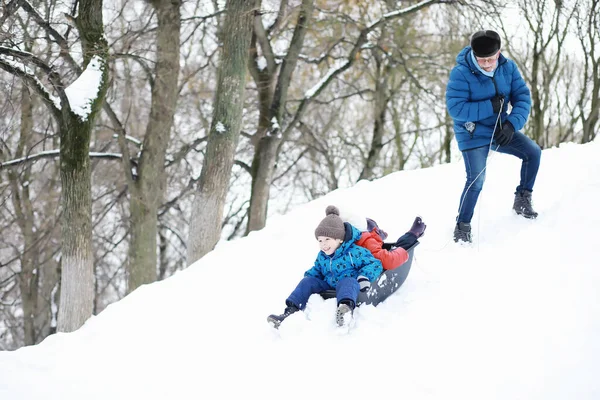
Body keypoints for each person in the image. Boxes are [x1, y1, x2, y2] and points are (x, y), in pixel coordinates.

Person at [446, 30, 542, 243]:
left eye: (491, 59)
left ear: (498, 53)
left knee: (533, 152)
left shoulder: (508, 68)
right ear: (474, 54)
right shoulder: (461, 73)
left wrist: (511, 124)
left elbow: (523, 98)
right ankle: (462, 226)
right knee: (476, 180)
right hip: (472, 133)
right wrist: (489, 106)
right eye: (482, 60)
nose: (488, 64)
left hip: (500, 130)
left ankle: (522, 199)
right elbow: (456, 109)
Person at [267, 205, 383, 328]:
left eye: (327, 239)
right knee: (308, 281)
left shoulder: (354, 252)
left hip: (348, 286)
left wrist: (364, 276)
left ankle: (345, 310)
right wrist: (306, 281)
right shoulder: (322, 256)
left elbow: (375, 264)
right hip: (329, 285)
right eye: (320, 240)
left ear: (340, 239)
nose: (323, 244)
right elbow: (317, 270)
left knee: (348, 281)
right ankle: (290, 312)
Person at [355, 216, 426, 270]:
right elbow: (388, 260)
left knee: (392, 249)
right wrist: (403, 250)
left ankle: (412, 235)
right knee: (397, 249)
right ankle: (412, 235)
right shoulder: (366, 242)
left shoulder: (364, 241)